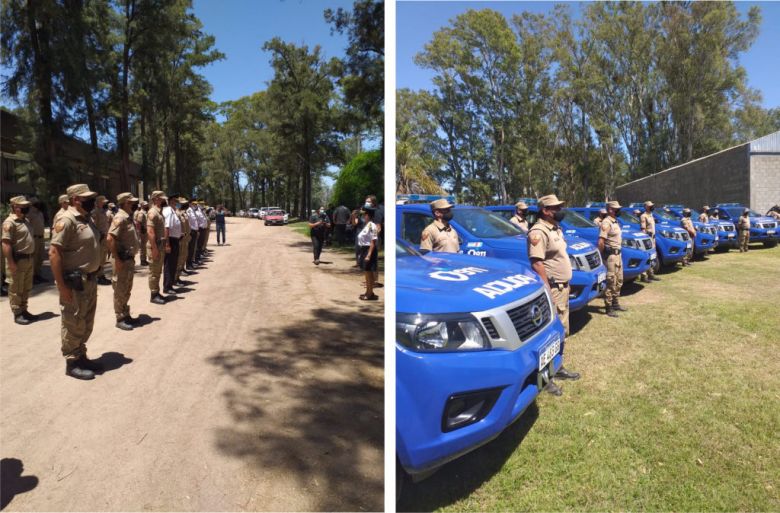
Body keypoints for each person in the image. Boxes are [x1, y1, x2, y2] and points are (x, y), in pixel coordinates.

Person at [527, 194, 580, 396]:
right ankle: (545, 378)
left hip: (562, 287)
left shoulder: (555, 228)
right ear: (545, 211)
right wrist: (548, 288)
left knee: (562, 329)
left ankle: (558, 367)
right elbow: (537, 263)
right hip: (553, 289)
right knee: (549, 335)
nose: (560, 210)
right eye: (556, 208)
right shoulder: (538, 232)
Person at [49, 184, 102, 380]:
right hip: (74, 282)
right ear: (75, 200)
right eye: (86, 198)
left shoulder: (86, 219)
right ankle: (72, 362)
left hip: (89, 279)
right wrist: (62, 286)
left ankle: (81, 356)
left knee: (86, 321)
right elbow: (54, 253)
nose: (90, 201)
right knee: (73, 321)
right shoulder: (67, 219)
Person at [2, 196, 38, 325]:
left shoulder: (25, 221)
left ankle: (24, 310)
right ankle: (17, 313)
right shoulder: (10, 222)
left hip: (28, 259)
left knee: (26, 287)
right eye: (23, 206)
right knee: (16, 288)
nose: (26, 208)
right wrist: (11, 263)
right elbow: (6, 244)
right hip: (17, 261)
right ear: (15, 207)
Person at [107, 192, 140, 331]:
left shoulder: (128, 218)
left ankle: (126, 314)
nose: (134, 204)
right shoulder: (120, 218)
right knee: (120, 289)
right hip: (121, 260)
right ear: (126, 203)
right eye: (131, 202)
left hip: (128, 259)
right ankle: (119, 317)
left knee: (126, 289)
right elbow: (110, 238)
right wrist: (117, 258)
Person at [599, 200, 625, 318]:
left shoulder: (615, 222)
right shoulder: (606, 223)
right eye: (616, 209)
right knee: (611, 281)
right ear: (610, 209)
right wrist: (603, 255)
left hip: (618, 255)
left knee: (619, 280)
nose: (618, 211)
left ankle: (615, 303)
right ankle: (608, 307)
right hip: (611, 257)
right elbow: (601, 242)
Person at [146, 191, 167, 304]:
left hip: (160, 245)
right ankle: (153, 295)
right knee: (154, 272)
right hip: (155, 246)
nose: (163, 201)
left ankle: (157, 292)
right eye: (161, 199)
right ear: (155, 199)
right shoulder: (152, 212)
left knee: (158, 271)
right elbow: (150, 231)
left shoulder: (159, 212)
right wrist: (154, 248)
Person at [162, 193, 183, 295]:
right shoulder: (169, 211)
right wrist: (167, 244)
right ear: (170, 201)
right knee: (169, 265)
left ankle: (170, 284)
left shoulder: (172, 211)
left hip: (174, 239)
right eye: (175, 201)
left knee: (173, 264)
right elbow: (167, 228)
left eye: (177, 201)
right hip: (170, 240)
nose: (177, 203)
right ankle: (167, 286)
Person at [357, 207, 379, 300]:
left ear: (368, 215)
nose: (363, 216)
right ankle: (368, 291)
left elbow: (373, 241)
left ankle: (370, 294)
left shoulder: (372, 225)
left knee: (369, 272)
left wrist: (369, 254)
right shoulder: (367, 225)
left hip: (369, 250)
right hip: (364, 249)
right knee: (366, 273)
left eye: (364, 215)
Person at [91, 195, 112, 285]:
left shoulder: (103, 211)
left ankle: (101, 275)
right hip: (100, 238)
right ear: (99, 202)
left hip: (104, 237)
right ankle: (99, 276)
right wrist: (98, 235)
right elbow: (94, 226)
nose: (105, 203)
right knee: (100, 257)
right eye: (103, 202)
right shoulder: (95, 212)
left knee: (103, 257)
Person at [27, 197, 47, 284]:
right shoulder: (29, 213)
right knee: (34, 258)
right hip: (34, 238)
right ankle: (32, 277)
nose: (37, 204)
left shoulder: (40, 213)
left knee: (40, 257)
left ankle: (38, 274)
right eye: (35, 203)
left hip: (41, 238)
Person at [639, 201, 661, 283]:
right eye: (650, 206)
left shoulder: (651, 215)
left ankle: (651, 274)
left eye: (652, 205)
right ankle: (644, 276)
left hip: (653, 239)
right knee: (647, 256)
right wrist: (645, 241)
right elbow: (643, 229)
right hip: (648, 239)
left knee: (652, 257)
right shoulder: (643, 216)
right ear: (646, 207)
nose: (652, 207)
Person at [175, 197, 191, 283]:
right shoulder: (176, 213)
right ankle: (175, 278)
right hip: (180, 240)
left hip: (185, 238)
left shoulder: (183, 213)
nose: (185, 204)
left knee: (184, 255)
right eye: (183, 203)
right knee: (179, 258)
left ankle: (180, 271)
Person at [186, 200, 200, 270]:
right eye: (193, 204)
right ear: (190, 203)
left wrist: (197, 230)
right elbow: (188, 222)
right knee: (190, 248)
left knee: (192, 248)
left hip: (194, 231)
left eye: (195, 204)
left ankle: (191, 262)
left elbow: (195, 222)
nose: (195, 205)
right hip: (191, 231)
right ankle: (188, 264)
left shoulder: (192, 211)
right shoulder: (188, 211)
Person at [134, 200, 149, 265]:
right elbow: (138, 223)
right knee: (143, 246)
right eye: (145, 205)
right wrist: (140, 231)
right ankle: (142, 260)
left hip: (145, 231)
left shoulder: (145, 212)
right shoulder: (141, 213)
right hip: (142, 232)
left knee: (144, 246)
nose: (147, 205)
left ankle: (144, 259)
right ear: (142, 205)